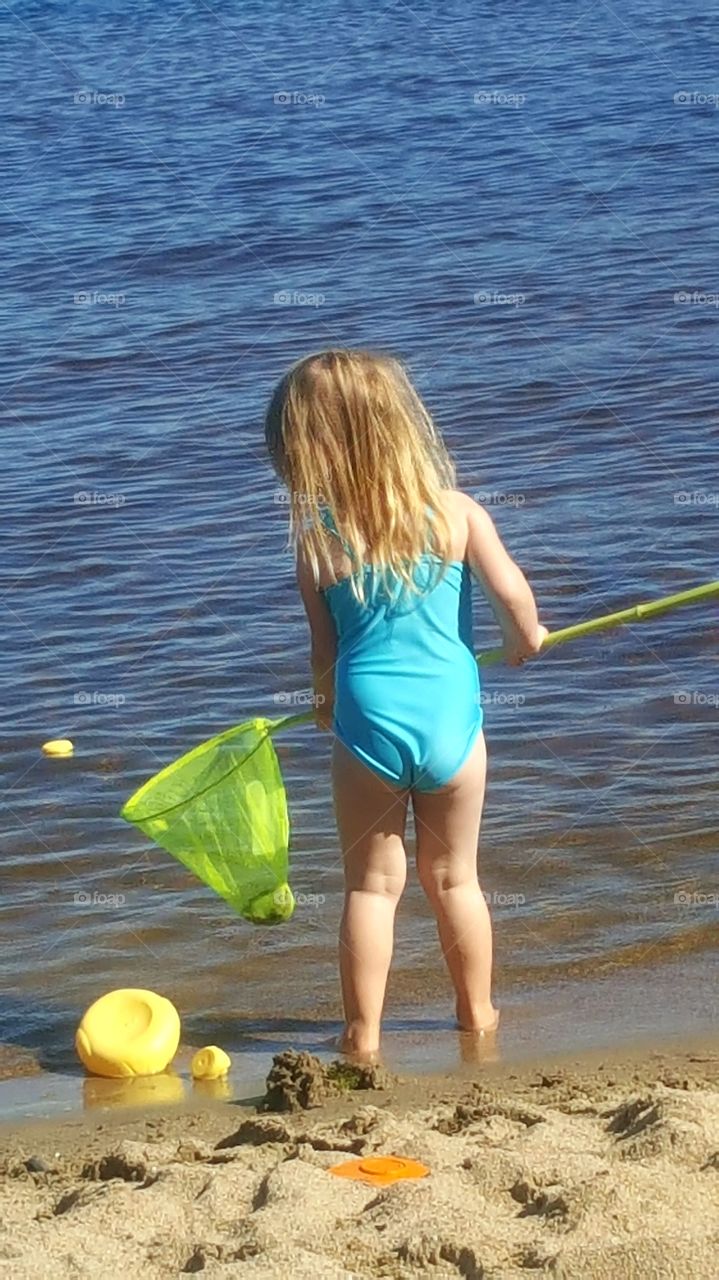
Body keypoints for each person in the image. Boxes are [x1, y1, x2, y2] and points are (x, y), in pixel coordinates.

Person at [266, 349, 546, 1059]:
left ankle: (362, 1034)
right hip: (450, 722)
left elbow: (322, 650)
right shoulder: (455, 515)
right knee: (455, 878)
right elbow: (513, 596)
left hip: (367, 726)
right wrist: (525, 639)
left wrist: (326, 703)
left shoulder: (317, 542)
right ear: (400, 427)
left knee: (370, 888)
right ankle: (475, 1013)